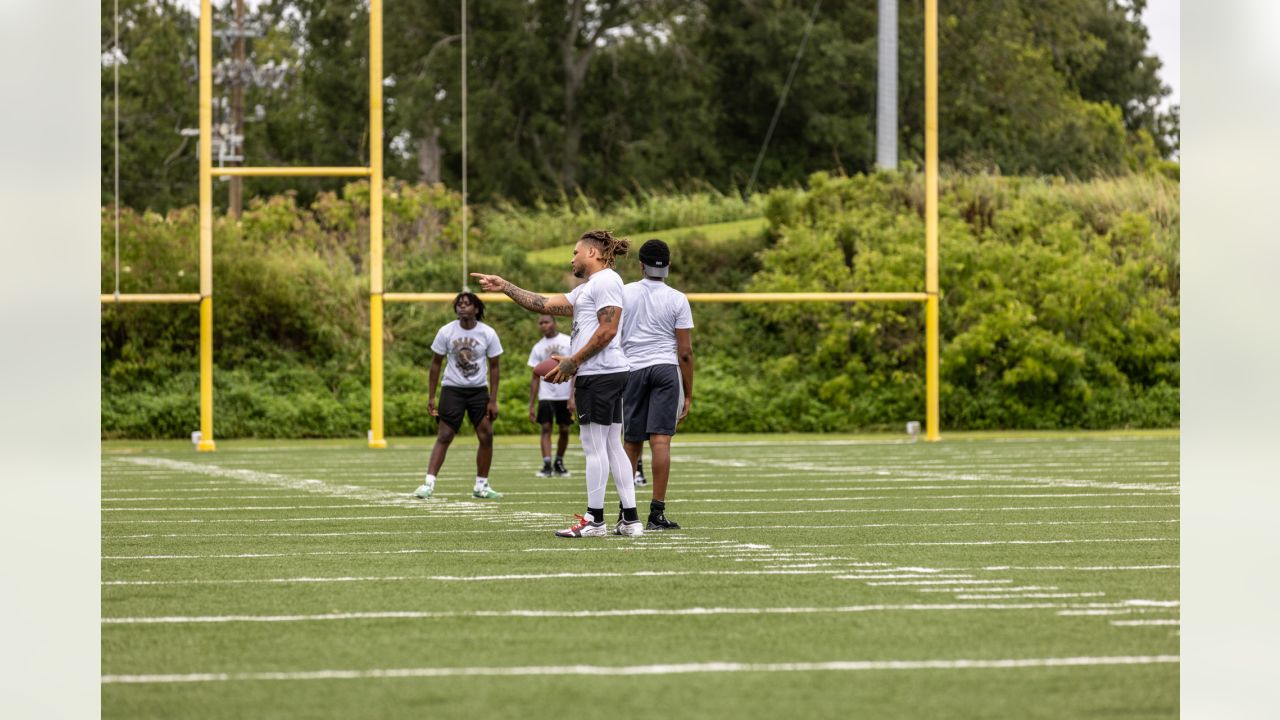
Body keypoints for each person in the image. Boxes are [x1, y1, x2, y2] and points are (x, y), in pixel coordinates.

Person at [470, 229, 642, 537]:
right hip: (607, 371)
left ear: (592, 253)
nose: (571, 258)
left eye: (575, 252)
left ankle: (595, 520)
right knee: (612, 445)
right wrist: (506, 286)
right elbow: (544, 304)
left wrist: (574, 360)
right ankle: (629, 519)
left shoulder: (605, 281)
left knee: (594, 447)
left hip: (600, 372)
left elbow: (608, 330)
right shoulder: (590, 288)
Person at [619, 239, 693, 530]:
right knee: (660, 441)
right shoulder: (677, 298)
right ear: (668, 265)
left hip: (632, 369)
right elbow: (685, 352)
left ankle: (627, 511)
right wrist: (689, 393)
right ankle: (656, 513)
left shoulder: (624, 293)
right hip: (665, 368)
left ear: (641, 264)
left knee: (631, 442)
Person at [413, 292, 504, 500]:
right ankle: (428, 483)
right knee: (445, 435)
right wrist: (431, 395)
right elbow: (435, 364)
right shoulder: (446, 331)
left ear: (477, 309)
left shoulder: (487, 333)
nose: (462, 307)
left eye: (467, 304)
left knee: (486, 434)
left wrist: (493, 399)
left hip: (478, 390)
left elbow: (495, 367)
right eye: (459, 304)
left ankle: (481, 486)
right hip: (452, 388)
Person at [527, 314, 574, 477]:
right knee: (545, 427)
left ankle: (559, 462)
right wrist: (531, 404)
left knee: (564, 429)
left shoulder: (568, 341)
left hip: (564, 393)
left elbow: (576, 370)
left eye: (547, 322)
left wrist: (572, 396)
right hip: (546, 394)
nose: (544, 325)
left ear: (554, 323)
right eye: (540, 323)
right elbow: (534, 376)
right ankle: (547, 464)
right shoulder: (538, 347)